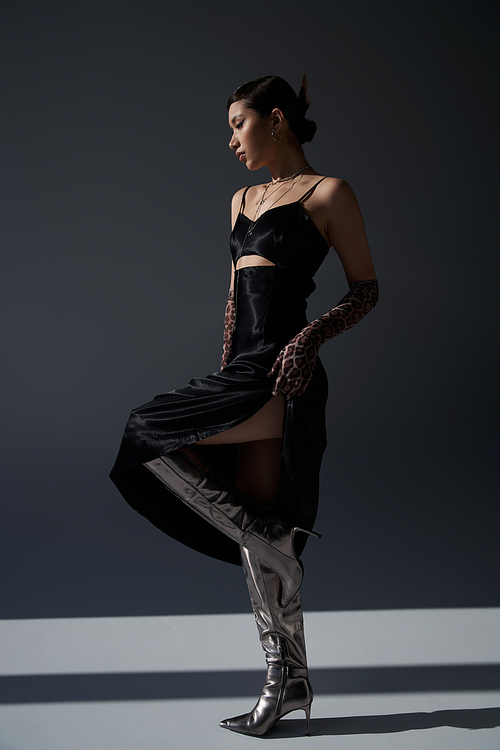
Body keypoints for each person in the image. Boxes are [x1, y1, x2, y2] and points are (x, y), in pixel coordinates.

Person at [110, 74, 379, 736]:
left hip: (285, 375)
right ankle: (287, 673)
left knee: (242, 510)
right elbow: (236, 302)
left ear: (276, 118)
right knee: (166, 449)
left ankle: (282, 673)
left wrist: (310, 340)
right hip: (241, 373)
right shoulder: (240, 200)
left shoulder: (330, 193)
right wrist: (224, 372)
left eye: (239, 123)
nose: (232, 138)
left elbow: (365, 290)